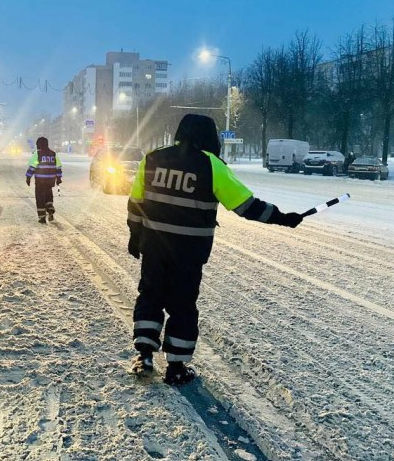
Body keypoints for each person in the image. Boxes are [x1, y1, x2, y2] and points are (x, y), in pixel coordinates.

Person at [127, 114, 305, 385]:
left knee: (150, 295)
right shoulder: (211, 165)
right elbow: (246, 206)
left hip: (155, 246)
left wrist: (135, 234)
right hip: (189, 251)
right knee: (183, 304)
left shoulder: (152, 158)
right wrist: (283, 217)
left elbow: (135, 201)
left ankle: (144, 357)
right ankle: (176, 367)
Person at [26, 136, 63, 224]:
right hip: (50, 181)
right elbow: (58, 168)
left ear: (38, 144)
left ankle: (42, 217)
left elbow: (32, 167)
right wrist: (58, 178)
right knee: (48, 195)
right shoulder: (53, 154)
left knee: (40, 198)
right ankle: (50, 209)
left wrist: (28, 177)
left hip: (40, 181)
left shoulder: (37, 154)